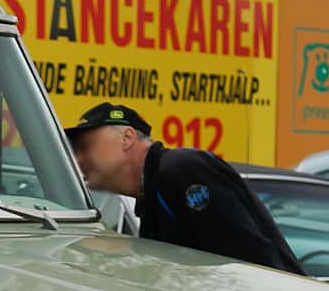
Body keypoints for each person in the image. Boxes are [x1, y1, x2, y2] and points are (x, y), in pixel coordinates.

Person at [64, 101, 302, 274]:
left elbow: (245, 267)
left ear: (127, 137)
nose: (78, 159)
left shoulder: (182, 170)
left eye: (85, 146)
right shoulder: (152, 197)